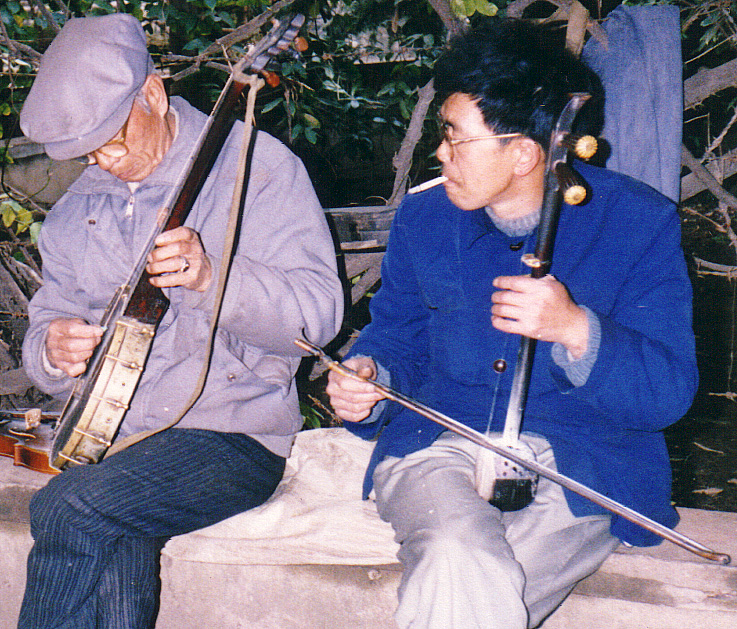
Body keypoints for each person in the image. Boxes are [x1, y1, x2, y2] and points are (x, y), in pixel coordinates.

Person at [326, 18, 697, 629]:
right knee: (457, 551)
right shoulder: (423, 220)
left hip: (581, 465)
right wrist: (370, 374)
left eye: (456, 137)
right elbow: (396, 335)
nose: (440, 153)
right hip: (437, 447)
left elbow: (667, 393)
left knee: (468, 586)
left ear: (525, 152)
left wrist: (578, 329)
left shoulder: (639, 224)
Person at [17, 14, 342, 628]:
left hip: (231, 438)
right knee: (116, 547)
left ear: (153, 93)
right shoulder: (73, 213)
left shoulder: (258, 171)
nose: (105, 161)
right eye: (88, 151)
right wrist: (52, 349)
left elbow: (317, 319)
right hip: (117, 441)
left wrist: (211, 278)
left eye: (112, 137)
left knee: (70, 508)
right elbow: (49, 326)